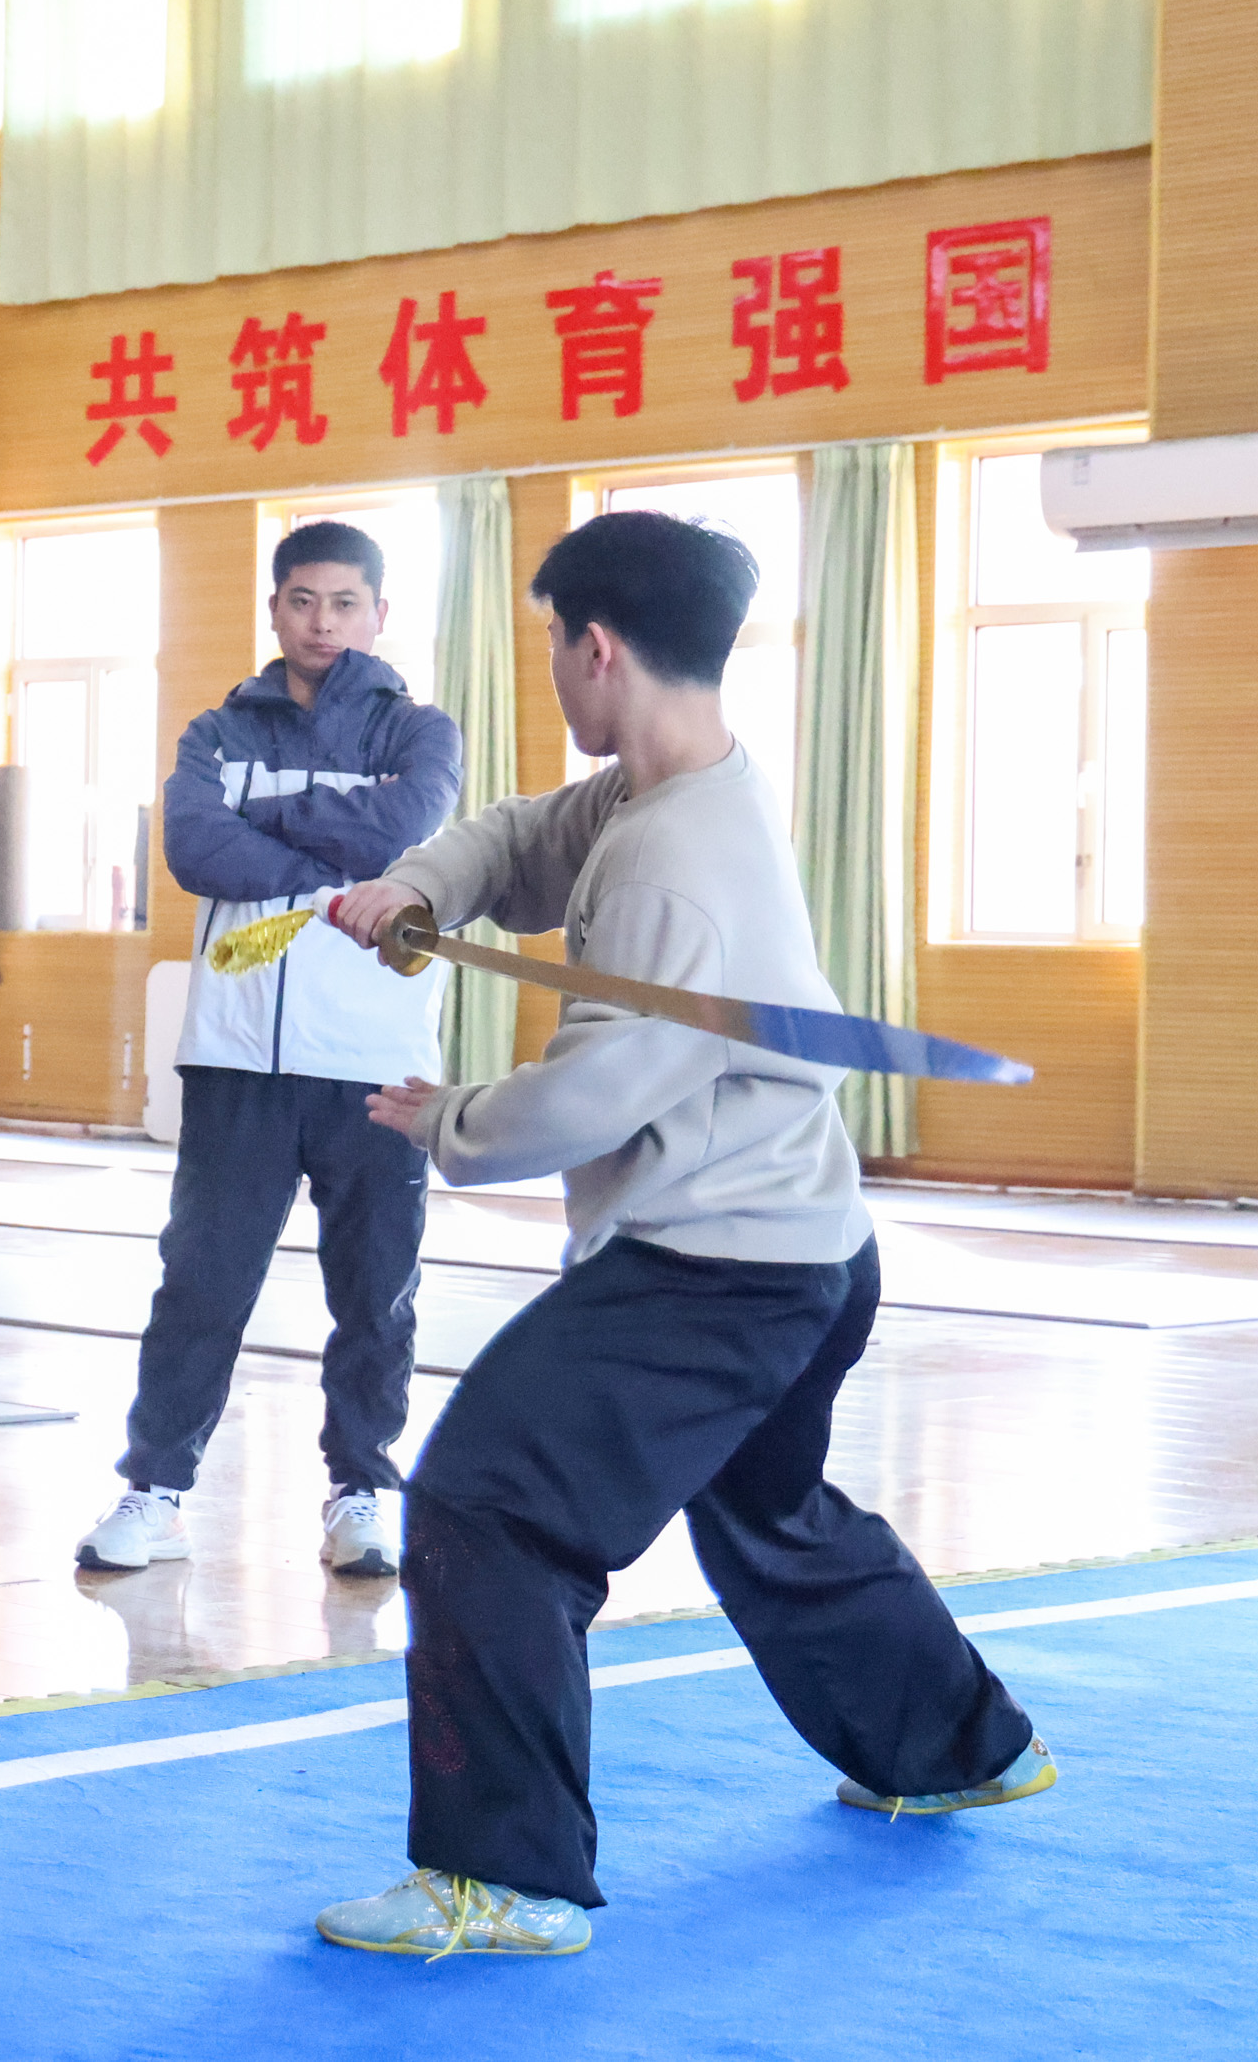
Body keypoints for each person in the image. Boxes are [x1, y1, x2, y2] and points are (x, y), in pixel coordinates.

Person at [309, 511, 1046, 1960]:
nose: (551, 670)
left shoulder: (673, 861)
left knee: (486, 1508)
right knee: (768, 1508)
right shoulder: (660, 793)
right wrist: (423, 885)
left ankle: (502, 1878)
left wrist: (442, 1118)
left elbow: (590, 1095)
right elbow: (524, 835)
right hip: (806, 1251)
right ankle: (960, 1745)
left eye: (552, 643)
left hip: (717, 1275)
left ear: (597, 647)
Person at [80, 522, 460, 1581]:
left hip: (376, 1058)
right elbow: (195, 848)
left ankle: (362, 1490)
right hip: (236, 1055)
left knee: (374, 1292)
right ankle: (157, 1490)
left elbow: (399, 829)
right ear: (275, 609)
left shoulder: (420, 733)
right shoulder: (216, 731)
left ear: (378, 613)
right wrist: (330, 838)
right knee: (199, 1283)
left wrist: (274, 829)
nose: (322, 622)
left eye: (344, 603)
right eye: (302, 600)